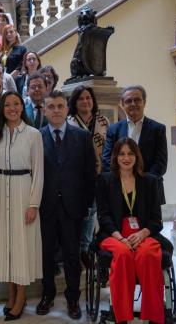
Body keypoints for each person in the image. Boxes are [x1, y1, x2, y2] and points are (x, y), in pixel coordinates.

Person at [36, 90, 96, 320]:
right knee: (47, 255)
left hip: (73, 208)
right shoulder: (36, 137)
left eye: (60, 106)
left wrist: (87, 204)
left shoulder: (81, 137)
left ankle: (73, 298)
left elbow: (89, 173)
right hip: (45, 206)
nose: (56, 111)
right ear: (45, 109)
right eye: (51, 106)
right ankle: (48, 294)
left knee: (72, 255)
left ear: (67, 109)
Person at [96, 137, 169, 324]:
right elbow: (103, 217)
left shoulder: (150, 181)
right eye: (122, 154)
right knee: (123, 253)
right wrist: (120, 238)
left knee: (148, 254)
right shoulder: (105, 180)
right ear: (115, 156)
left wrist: (142, 233)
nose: (126, 158)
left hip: (143, 234)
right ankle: (122, 317)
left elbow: (156, 219)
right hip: (114, 234)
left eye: (130, 153)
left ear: (137, 156)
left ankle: (153, 316)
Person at [0, 92, 44, 321]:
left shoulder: (33, 134)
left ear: (23, 107)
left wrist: (33, 204)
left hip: (23, 192)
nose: (12, 108)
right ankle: (11, 292)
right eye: (7, 104)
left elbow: (38, 172)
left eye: (16, 104)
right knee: (7, 248)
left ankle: (21, 296)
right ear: (1, 108)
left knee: (21, 247)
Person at [102, 85, 168, 204]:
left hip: (149, 190)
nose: (133, 104)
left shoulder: (158, 129)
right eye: (128, 101)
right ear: (123, 104)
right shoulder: (113, 129)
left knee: (149, 223)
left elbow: (161, 163)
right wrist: (122, 181)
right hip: (120, 190)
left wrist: (142, 182)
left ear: (144, 102)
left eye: (137, 100)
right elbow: (107, 160)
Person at [67, 86, 110, 265]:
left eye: (88, 98)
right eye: (81, 98)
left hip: (100, 175)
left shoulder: (103, 121)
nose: (85, 101)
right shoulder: (69, 122)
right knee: (83, 213)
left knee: (95, 213)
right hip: (77, 176)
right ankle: (79, 248)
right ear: (75, 103)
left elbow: (109, 148)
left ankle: (89, 248)